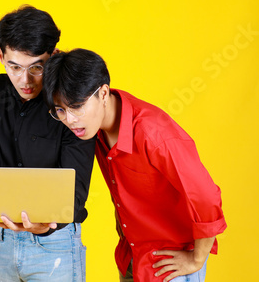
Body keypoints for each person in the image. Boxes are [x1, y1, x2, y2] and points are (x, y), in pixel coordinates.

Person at [42, 48, 227, 282]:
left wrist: (197, 259)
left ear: (103, 93)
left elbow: (206, 196)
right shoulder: (93, 129)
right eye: (60, 110)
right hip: (131, 256)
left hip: (168, 265)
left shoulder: (154, 134)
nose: (69, 119)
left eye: (76, 107)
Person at [0, 6, 96, 282]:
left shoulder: (71, 103)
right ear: (0, 56)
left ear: (54, 56)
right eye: (14, 67)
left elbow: (76, 188)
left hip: (56, 242)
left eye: (37, 67)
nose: (25, 80)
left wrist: (45, 225)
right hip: (3, 240)